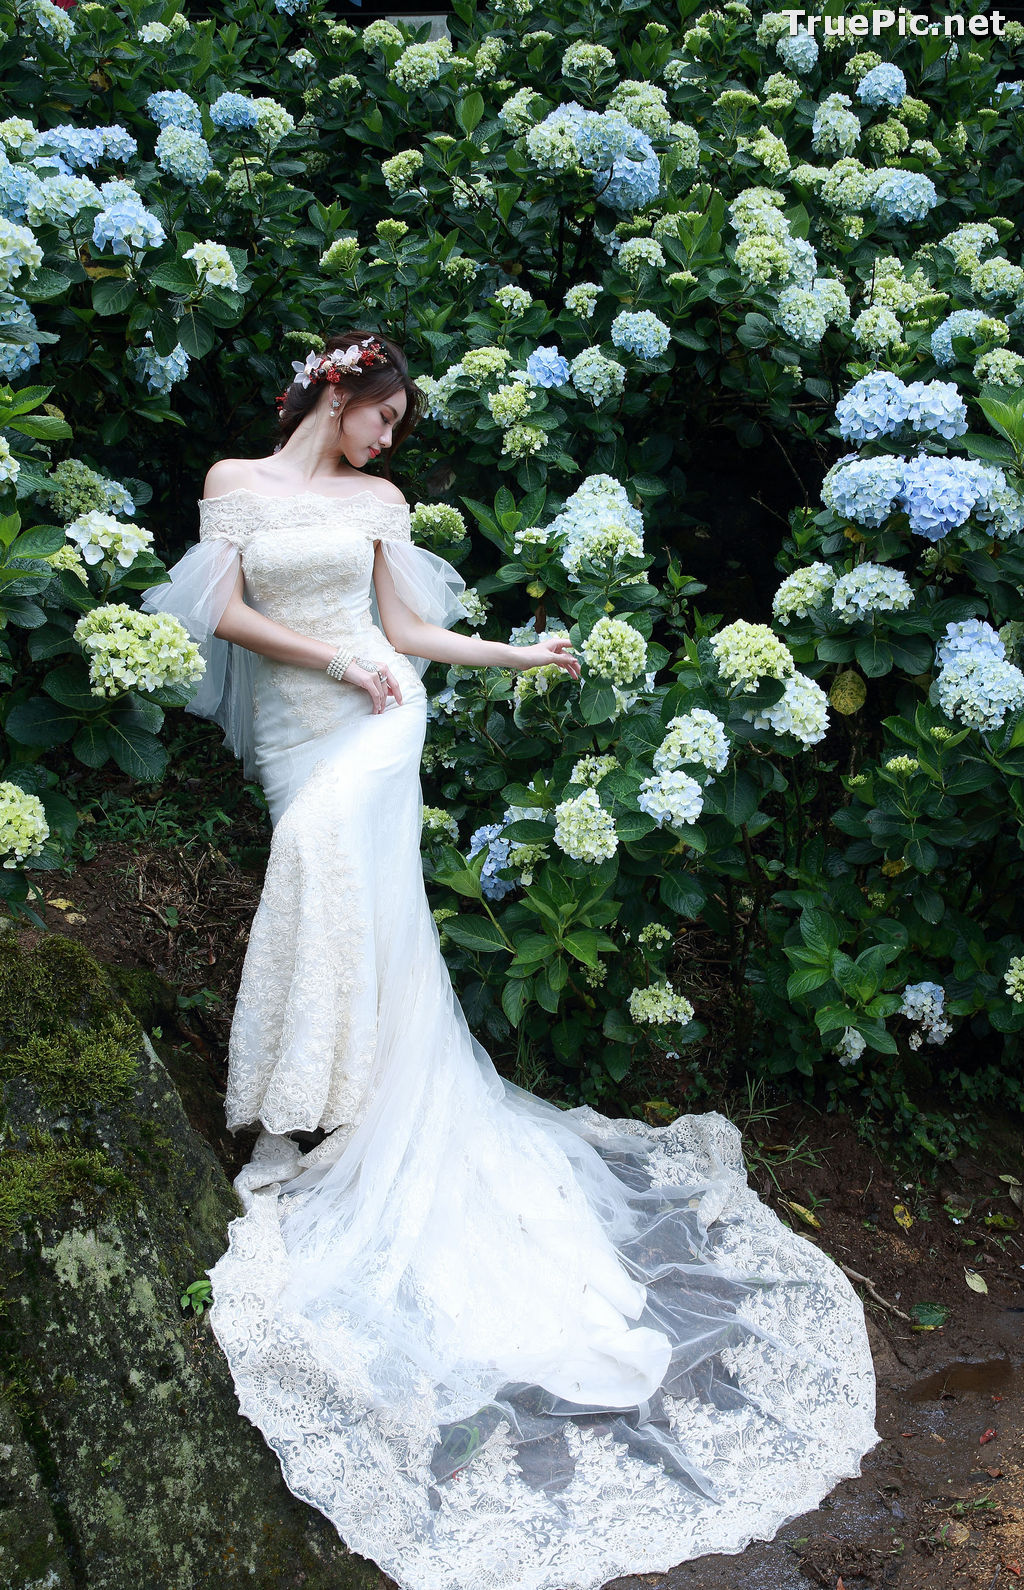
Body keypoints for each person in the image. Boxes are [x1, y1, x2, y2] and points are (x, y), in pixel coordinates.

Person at [141, 329, 878, 1590]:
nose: (393, 440)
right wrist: (331, 662)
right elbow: (228, 612)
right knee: (331, 885)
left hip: (381, 723)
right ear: (339, 392)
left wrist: (518, 655)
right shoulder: (232, 484)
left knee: (330, 871)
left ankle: (308, 1108)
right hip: (305, 720)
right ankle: (321, 1097)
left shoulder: (382, 504)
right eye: (387, 416)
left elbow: (407, 633)